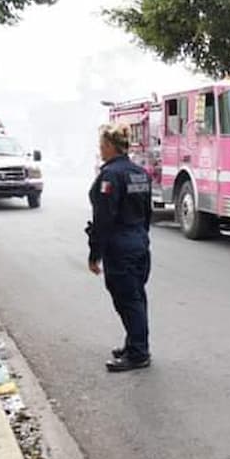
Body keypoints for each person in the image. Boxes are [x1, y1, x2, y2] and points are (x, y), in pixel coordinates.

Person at [87, 124, 154, 372]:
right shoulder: (140, 173)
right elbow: (148, 214)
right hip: (139, 244)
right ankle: (134, 344)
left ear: (109, 146)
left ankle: (138, 354)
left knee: (127, 300)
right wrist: (140, 238)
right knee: (136, 297)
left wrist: (95, 254)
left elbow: (103, 219)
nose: (99, 149)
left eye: (101, 144)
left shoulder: (111, 176)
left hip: (120, 248)